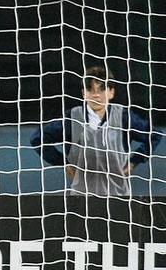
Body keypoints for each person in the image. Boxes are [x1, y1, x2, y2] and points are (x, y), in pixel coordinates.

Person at [30, 66, 162, 196]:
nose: (96, 95)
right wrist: (64, 163)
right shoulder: (72, 118)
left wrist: (134, 161)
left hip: (118, 197)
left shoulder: (123, 117)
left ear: (111, 92)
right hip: (82, 197)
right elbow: (38, 138)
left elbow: (154, 134)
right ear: (83, 93)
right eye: (90, 89)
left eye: (102, 89)